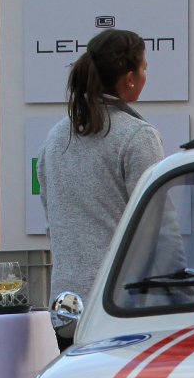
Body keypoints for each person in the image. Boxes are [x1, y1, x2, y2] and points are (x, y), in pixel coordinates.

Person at [38, 29, 178, 335]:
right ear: (129, 79)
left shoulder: (56, 136)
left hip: (66, 308)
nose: (145, 76)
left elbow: (52, 219)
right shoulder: (138, 136)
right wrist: (183, 293)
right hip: (121, 306)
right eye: (144, 69)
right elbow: (160, 228)